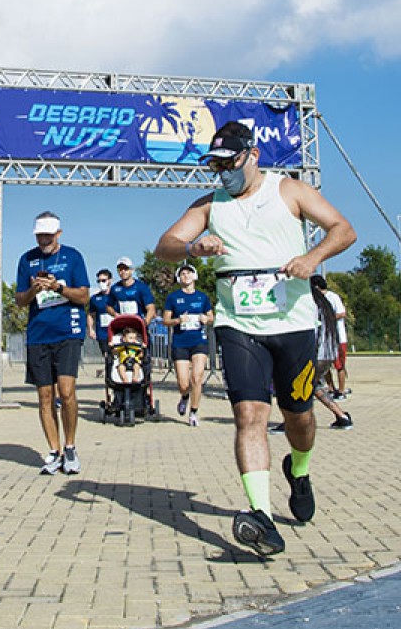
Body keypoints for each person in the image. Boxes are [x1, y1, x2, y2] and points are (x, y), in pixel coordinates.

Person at [155, 120, 356, 556]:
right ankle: (261, 517)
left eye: (230, 163)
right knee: (249, 416)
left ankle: (298, 470)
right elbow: (165, 244)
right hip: (239, 325)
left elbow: (343, 229)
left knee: (299, 417)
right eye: (216, 166)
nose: (223, 172)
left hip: (292, 325)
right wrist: (193, 248)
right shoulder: (209, 205)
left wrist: (311, 258)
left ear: (253, 156)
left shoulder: (290, 191)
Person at [15, 211, 90, 476]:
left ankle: (70, 447)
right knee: (45, 396)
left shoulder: (73, 256)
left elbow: (84, 296)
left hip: (68, 331)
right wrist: (34, 290)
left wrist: (58, 288)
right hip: (38, 335)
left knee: (66, 392)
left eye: (48, 235)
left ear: (58, 233)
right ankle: (54, 450)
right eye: (40, 235)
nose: (43, 240)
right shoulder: (27, 259)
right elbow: (19, 300)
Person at [162, 263, 214, 427]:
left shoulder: (202, 297)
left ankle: (193, 412)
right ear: (179, 279)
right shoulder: (173, 297)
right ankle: (184, 397)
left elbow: (211, 317)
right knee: (183, 383)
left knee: (197, 378)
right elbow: (165, 320)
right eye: (183, 274)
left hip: (199, 341)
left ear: (194, 276)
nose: (186, 276)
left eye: (189, 273)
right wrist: (178, 320)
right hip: (180, 342)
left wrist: (206, 319)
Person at [311, 275, 350, 400]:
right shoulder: (315, 299)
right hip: (324, 339)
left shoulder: (333, 297)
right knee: (325, 365)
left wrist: (328, 317)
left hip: (338, 338)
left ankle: (341, 390)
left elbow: (342, 313)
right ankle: (331, 388)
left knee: (339, 365)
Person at [87, 268, 116, 407]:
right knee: (108, 359)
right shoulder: (95, 299)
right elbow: (91, 314)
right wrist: (91, 329)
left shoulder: (117, 295)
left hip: (118, 334)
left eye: (104, 280)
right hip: (103, 335)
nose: (101, 283)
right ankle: (110, 392)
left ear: (110, 280)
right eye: (99, 281)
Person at [107, 256, 156, 324]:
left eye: (126, 269)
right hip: (122, 325)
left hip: (138, 324)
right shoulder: (114, 288)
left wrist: (145, 323)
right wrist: (115, 314)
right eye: (120, 269)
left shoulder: (142, 287)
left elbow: (151, 309)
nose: (123, 271)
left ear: (132, 270)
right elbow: (108, 306)